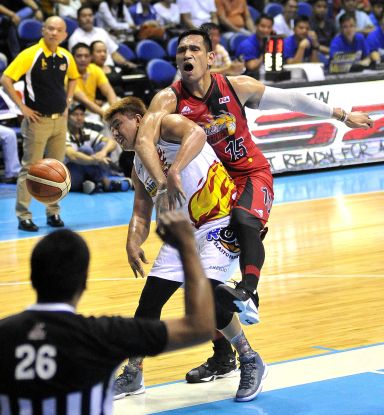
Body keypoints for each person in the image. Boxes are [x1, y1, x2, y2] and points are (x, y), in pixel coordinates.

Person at [130, 28, 373, 381]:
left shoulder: (235, 87)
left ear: (210, 57)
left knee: (245, 220)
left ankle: (248, 290)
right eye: (181, 49)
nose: (187, 54)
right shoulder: (167, 100)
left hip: (250, 175)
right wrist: (164, 179)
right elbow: (145, 141)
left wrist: (339, 114)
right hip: (212, 190)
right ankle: (222, 355)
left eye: (195, 48)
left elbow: (292, 102)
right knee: (202, 290)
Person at [105, 96, 267, 402]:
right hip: (182, 234)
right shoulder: (138, 165)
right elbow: (141, 210)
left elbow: (198, 133)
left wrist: (174, 170)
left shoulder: (166, 125)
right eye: (111, 129)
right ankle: (134, 373)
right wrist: (132, 242)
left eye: (118, 124)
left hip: (218, 222)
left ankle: (249, 358)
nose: (114, 133)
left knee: (208, 299)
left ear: (139, 119)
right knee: (148, 304)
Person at [0, 213, 216, 413]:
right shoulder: (104, 334)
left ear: (33, 277)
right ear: (83, 283)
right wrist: (187, 246)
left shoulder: (3, 333)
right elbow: (200, 327)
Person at [0, 16, 80, 232]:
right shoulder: (30, 54)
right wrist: (22, 108)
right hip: (37, 121)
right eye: (50, 29)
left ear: (65, 35)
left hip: (59, 120)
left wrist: (69, 101)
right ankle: (23, 215)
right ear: (43, 30)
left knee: (56, 170)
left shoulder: (66, 56)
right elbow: (6, 78)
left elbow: (74, 78)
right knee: (29, 169)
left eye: (59, 30)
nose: (54, 33)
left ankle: (53, 213)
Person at [65, 102, 131, 193]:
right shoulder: (63, 135)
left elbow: (111, 142)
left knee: (102, 146)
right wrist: (95, 160)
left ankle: (94, 183)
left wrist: (102, 153)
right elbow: (72, 155)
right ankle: (104, 182)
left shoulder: (87, 132)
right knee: (85, 150)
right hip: (70, 176)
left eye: (81, 114)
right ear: (67, 117)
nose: (79, 118)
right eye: (75, 115)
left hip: (88, 170)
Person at [68, 5, 137, 69]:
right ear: (78, 19)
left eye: (90, 15)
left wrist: (126, 63)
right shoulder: (74, 38)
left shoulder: (101, 32)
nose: (88, 18)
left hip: (111, 68)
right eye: (84, 16)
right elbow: (79, 62)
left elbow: (113, 53)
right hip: (92, 71)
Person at [72, 42, 117, 118]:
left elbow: (109, 92)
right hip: (75, 113)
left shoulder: (95, 69)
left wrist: (115, 111)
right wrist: (107, 115)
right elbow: (85, 101)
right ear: (72, 58)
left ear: (90, 58)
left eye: (86, 56)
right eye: (79, 56)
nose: (83, 59)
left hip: (93, 111)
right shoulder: (68, 74)